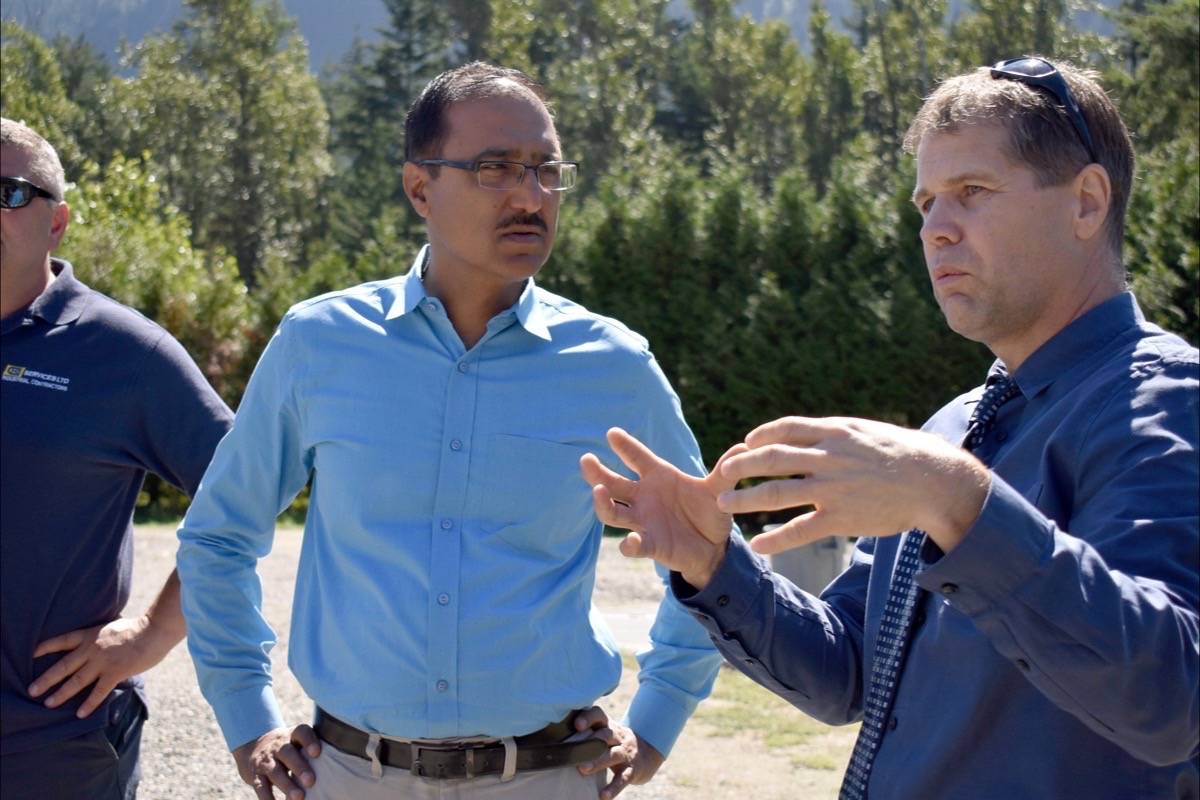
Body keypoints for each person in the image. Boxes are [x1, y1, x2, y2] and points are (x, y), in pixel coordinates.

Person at [580, 57, 1199, 798]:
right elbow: (849, 672)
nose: (935, 230)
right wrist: (715, 567)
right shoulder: (955, 427)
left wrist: (962, 503)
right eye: (926, 202)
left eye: (972, 192)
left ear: (1087, 202)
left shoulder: (1165, 400)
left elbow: (1173, 699)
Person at [175, 62, 723, 800]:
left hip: (547, 779)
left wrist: (655, 725)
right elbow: (217, 538)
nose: (531, 196)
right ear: (419, 188)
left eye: (545, 170)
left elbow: (708, 557)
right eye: (495, 168)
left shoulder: (613, 366)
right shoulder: (319, 344)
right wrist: (249, 722)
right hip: (346, 778)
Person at [0, 118, 234, 798]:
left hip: (52, 747)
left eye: (9, 193)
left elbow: (249, 491)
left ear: (58, 222)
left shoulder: (124, 354)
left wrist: (150, 634)